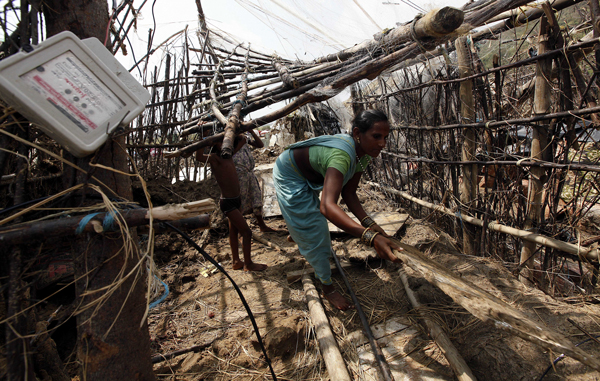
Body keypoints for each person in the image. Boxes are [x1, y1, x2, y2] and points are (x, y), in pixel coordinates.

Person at [273, 109, 402, 310]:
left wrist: (371, 225)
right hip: (290, 173)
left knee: (310, 226)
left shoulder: (363, 155)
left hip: (309, 172)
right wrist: (369, 237)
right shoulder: (342, 156)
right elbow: (327, 206)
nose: (382, 144)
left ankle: (300, 234)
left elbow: (349, 194)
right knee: (317, 231)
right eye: (376, 136)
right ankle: (328, 287)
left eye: (386, 137)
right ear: (358, 134)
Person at [196, 136, 267, 272]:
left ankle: (236, 261)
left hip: (237, 199)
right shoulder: (215, 159)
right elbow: (199, 157)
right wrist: (203, 137)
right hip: (228, 203)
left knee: (233, 232)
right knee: (246, 232)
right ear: (214, 145)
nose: (223, 144)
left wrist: (241, 135)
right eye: (219, 142)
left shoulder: (229, 155)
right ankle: (248, 264)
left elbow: (241, 141)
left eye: (224, 141)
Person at [232, 129, 284, 233]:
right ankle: (240, 231)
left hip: (249, 174)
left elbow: (260, 145)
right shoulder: (228, 140)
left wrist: (251, 131)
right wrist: (240, 143)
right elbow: (228, 155)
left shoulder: (244, 138)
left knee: (256, 200)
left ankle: (262, 226)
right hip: (238, 175)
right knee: (240, 203)